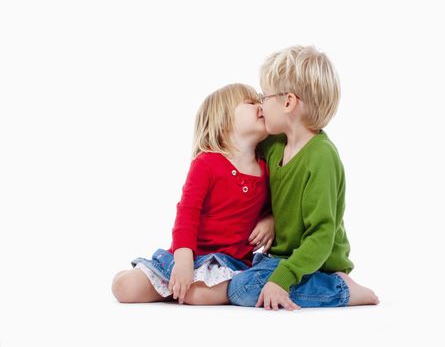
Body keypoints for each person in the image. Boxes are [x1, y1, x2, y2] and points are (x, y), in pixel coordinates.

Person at [227, 46, 380, 310]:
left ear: (288, 102)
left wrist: (282, 280)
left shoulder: (321, 157)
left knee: (243, 289)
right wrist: (270, 217)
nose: (260, 105)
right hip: (281, 256)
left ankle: (342, 289)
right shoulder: (274, 145)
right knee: (238, 275)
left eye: (264, 97)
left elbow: (322, 235)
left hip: (317, 263)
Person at [112, 83, 274, 305]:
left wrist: (270, 220)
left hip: (229, 264)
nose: (261, 105)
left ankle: (184, 290)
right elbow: (187, 213)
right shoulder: (206, 163)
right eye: (251, 102)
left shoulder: (266, 168)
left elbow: (274, 207)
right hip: (189, 254)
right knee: (124, 288)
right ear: (224, 120)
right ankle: (174, 284)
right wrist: (183, 259)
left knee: (198, 295)